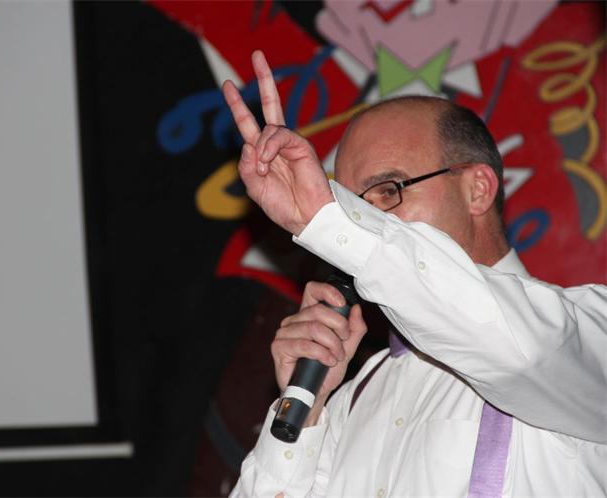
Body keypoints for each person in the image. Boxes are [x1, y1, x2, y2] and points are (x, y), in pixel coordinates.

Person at [222, 50, 607, 497]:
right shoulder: (355, 396)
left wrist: (329, 220)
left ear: (478, 189)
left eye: (388, 191)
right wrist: (304, 408)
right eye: (355, 205)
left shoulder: (587, 333)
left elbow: (521, 351)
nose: (368, 220)